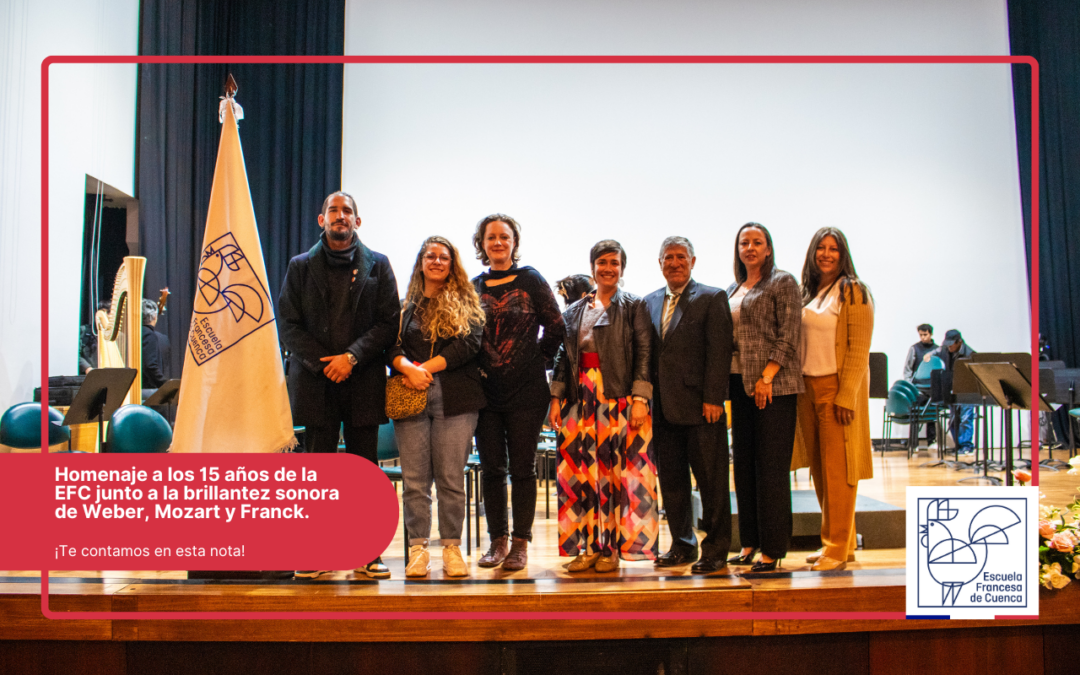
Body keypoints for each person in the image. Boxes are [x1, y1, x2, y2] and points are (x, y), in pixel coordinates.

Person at [278, 191, 400, 579]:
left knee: (364, 470)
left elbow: (387, 323)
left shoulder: (378, 265)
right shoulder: (299, 266)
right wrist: (324, 363)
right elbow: (289, 325)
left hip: (361, 378)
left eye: (348, 211)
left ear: (357, 222)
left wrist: (351, 358)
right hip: (316, 383)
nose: (341, 216)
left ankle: (368, 551)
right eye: (334, 210)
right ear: (321, 220)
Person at [549, 240, 657, 572]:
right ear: (592, 266)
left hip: (619, 398)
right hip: (580, 399)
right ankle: (590, 547)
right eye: (602, 262)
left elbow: (644, 352)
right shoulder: (574, 310)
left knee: (616, 475)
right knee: (583, 474)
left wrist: (640, 398)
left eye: (614, 262)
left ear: (622, 267)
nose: (608, 268)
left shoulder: (634, 305)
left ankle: (612, 548)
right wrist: (555, 397)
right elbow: (562, 356)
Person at [471, 214, 565, 572]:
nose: (497, 242)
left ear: (514, 242)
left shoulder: (531, 280)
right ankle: (497, 541)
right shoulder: (474, 285)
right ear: (481, 243)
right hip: (485, 393)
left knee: (523, 469)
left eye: (504, 237)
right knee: (493, 468)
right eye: (490, 237)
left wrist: (534, 359)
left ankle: (520, 543)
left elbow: (556, 326)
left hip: (527, 392)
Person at [389, 236, 487, 578]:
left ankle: (451, 549)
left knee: (449, 479)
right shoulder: (403, 307)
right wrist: (405, 367)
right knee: (415, 481)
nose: (436, 261)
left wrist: (422, 369)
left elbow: (470, 345)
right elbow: (390, 346)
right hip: (410, 396)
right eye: (430, 256)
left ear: (451, 264)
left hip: (456, 399)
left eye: (443, 257)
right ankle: (417, 551)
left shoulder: (467, 303)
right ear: (420, 263)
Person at [645, 236, 733, 574]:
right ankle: (682, 544)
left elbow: (719, 351)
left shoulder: (712, 297)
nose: (675, 263)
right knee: (674, 483)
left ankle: (715, 549)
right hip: (664, 409)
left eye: (681, 257)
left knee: (711, 483)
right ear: (660, 264)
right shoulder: (650, 301)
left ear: (693, 262)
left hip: (701, 408)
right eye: (668, 258)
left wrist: (714, 397)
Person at [790, 227, 874, 572]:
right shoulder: (809, 292)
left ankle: (835, 548)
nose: (826, 254)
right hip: (807, 389)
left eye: (833, 249)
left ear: (843, 254)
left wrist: (846, 395)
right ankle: (844, 543)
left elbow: (858, 349)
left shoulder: (854, 291)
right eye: (820, 248)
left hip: (836, 389)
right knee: (821, 472)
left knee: (840, 471)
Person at [725, 222, 802, 573]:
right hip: (740, 386)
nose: (751, 248)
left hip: (774, 388)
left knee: (771, 469)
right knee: (743, 467)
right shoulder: (734, 287)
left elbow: (788, 334)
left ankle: (773, 548)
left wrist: (767, 376)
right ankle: (750, 542)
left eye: (758, 242)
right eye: (745, 242)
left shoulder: (782, 282)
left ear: (768, 249)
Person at [932, 329, 976, 455]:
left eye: (951, 344)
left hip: (967, 391)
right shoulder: (945, 349)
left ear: (959, 342)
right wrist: (929, 355)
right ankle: (959, 445)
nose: (949, 347)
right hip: (952, 389)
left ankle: (967, 446)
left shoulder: (970, 354)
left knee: (966, 418)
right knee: (953, 418)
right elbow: (937, 351)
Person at [905, 324, 938, 445]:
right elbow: (908, 369)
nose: (923, 337)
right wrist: (910, 386)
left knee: (932, 414)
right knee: (915, 414)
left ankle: (932, 441)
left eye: (925, 334)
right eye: (921, 335)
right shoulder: (914, 349)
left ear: (931, 334)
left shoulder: (937, 349)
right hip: (918, 388)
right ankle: (913, 443)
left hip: (932, 387)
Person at [141, 298, 170, 390]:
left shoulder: (133, 333)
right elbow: (150, 366)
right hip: (146, 389)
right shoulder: (149, 334)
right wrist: (165, 385)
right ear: (155, 317)